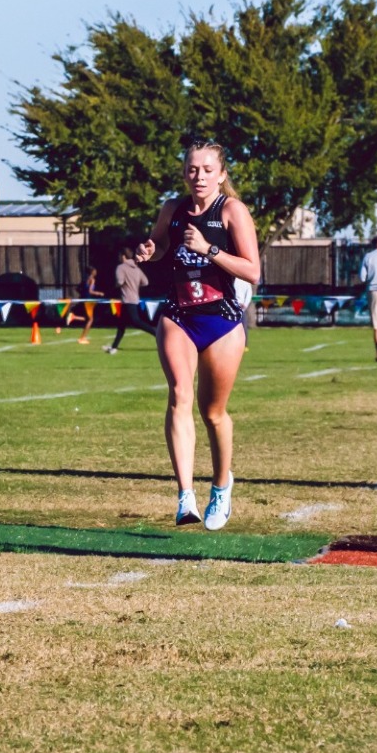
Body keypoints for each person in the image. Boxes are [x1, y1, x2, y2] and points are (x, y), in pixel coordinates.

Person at [133, 138, 262, 531]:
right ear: (184, 173)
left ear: (221, 175)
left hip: (221, 319)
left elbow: (253, 271)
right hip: (178, 314)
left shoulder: (232, 211)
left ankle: (221, 486)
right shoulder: (172, 209)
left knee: (213, 412)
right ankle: (185, 496)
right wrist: (149, 251)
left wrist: (209, 250)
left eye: (207, 170)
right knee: (180, 395)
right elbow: (159, 247)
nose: (199, 176)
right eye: (193, 169)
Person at [105, 246, 152, 354]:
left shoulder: (121, 268)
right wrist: (134, 284)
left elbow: (120, 282)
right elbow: (145, 282)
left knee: (136, 322)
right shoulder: (136, 268)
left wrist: (115, 287)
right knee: (121, 325)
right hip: (134, 299)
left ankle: (156, 333)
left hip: (127, 299)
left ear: (123, 256)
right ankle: (114, 347)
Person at [63, 266, 106, 343]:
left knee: (88, 318)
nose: (96, 272)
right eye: (95, 271)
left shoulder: (85, 280)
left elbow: (77, 288)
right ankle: (82, 338)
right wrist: (99, 293)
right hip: (88, 301)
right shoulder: (92, 280)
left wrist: (83, 294)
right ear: (92, 272)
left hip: (84, 300)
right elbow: (90, 291)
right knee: (91, 319)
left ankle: (73, 317)